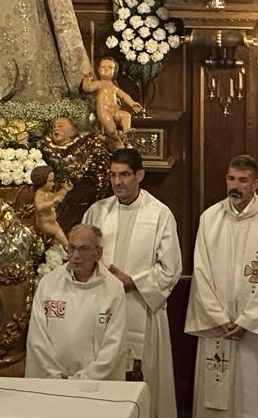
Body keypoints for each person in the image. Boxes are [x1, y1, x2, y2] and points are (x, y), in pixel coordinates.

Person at [185, 155, 258, 418]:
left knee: (253, 398)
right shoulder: (210, 218)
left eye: (243, 180)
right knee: (215, 400)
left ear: (255, 184)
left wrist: (248, 321)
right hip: (217, 327)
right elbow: (201, 272)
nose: (235, 185)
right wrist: (219, 318)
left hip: (254, 330)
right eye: (231, 178)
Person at [83, 147, 182, 418]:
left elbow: (171, 268)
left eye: (125, 175)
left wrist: (133, 281)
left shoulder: (159, 214)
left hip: (141, 307)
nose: (118, 182)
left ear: (139, 175)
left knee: (140, 375)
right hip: (101, 307)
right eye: (113, 175)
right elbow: (81, 254)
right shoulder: (97, 212)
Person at [25, 223, 126, 380]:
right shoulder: (48, 284)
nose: (76, 256)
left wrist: (82, 380)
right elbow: (37, 339)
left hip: (94, 386)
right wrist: (55, 376)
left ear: (98, 253)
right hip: (51, 383)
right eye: (72, 248)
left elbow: (114, 345)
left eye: (83, 249)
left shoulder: (114, 289)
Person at [82, 57, 142, 143]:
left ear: (115, 71)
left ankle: (126, 133)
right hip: (104, 111)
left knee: (126, 115)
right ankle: (117, 139)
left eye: (110, 67)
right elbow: (87, 88)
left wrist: (132, 103)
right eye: (103, 67)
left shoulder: (114, 87)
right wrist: (86, 78)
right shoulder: (98, 84)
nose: (106, 69)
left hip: (115, 110)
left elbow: (124, 96)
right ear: (98, 69)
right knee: (111, 129)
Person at [31, 165, 72, 248]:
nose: (53, 184)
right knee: (59, 234)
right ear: (41, 182)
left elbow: (57, 197)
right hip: (44, 224)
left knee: (59, 236)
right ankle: (69, 249)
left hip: (52, 222)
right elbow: (39, 206)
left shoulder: (48, 193)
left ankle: (63, 250)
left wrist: (65, 189)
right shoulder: (39, 194)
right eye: (50, 181)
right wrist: (53, 202)